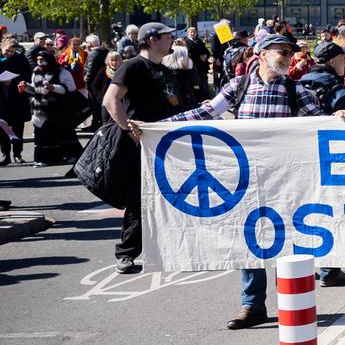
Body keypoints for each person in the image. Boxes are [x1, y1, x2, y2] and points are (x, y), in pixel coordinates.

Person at [166, 33, 331, 328]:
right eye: (281, 51)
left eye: (289, 53)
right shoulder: (238, 86)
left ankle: (292, 300)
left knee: (287, 238)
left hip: (285, 180)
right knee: (250, 240)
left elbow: (322, 124)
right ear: (261, 53)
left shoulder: (297, 91)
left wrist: (342, 119)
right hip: (246, 180)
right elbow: (205, 112)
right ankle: (252, 305)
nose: (287, 57)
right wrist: (159, 128)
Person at [102, 22, 182, 275]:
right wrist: (128, 128)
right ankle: (126, 253)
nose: (172, 40)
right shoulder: (132, 65)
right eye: (168, 36)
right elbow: (110, 100)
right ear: (152, 40)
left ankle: (172, 250)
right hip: (141, 144)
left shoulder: (164, 69)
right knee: (139, 199)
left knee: (171, 197)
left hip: (166, 143)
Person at [21, 47, 81, 165]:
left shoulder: (61, 71)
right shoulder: (36, 72)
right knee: (42, 135)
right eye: (38, 60)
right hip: (40, 110)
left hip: (58, 109)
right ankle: (44, 159)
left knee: (64, 134)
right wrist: (26, 87)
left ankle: (71, 156)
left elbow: (71, 87)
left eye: (42, 59)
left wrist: (53, 87)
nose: (40, 62)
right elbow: (35, 89)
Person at [161, 44, 203, 111]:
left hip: (179, 105)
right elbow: (196, 82)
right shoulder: (179, 72)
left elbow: (197, 82)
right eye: (186, 55)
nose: (189, 57)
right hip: (183, 106)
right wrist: (191, 69)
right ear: (180, 57)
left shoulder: (165, 69)